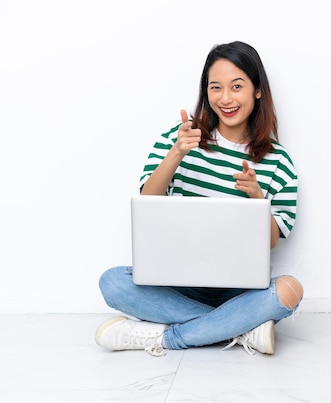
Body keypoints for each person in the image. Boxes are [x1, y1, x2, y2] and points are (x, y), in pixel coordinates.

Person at [95, 41, 303, 357]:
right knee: (112, 282)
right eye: (215, 87)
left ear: (257, 90)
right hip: (175, 283)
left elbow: (272, 241)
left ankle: (166, 338)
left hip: (238, 290)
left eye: (237, 86)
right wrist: (177, 152)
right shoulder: (178, 138)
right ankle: (240, 327)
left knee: (289, 291)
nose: (226, 98)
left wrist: (257, 197)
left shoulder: (279, 161)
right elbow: (147, 201)